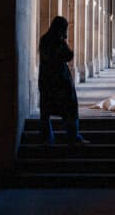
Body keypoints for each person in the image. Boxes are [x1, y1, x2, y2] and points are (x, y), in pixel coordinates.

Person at [38, 16, 89, 145]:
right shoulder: (55, 41)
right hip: (58, 81)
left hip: (49, 80)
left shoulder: (46, 40)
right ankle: (70, 136)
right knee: (69, 108)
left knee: (47, 111)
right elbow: (66, 55)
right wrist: (62, 44)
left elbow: (68, 56)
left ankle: (48, 138)